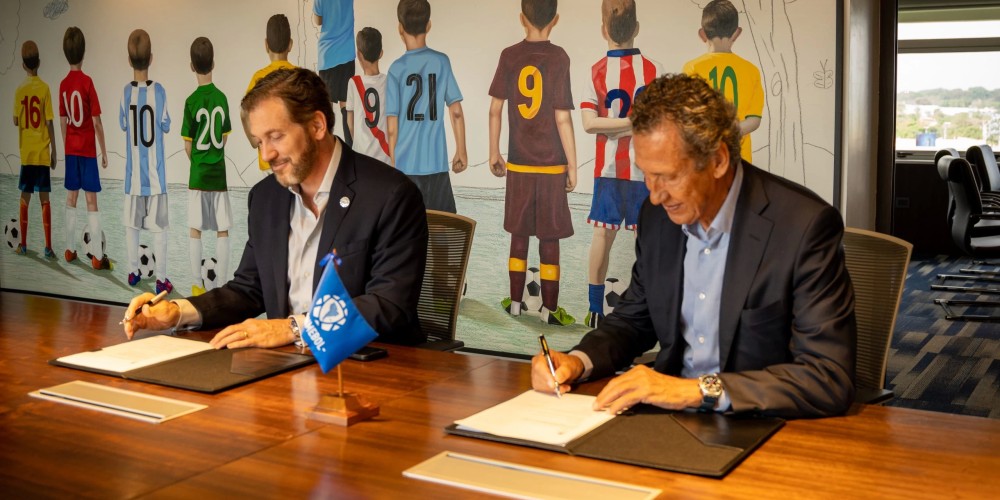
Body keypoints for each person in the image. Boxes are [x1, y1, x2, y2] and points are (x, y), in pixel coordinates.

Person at [531, 73, 856, 418]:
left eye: (669, 176)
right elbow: (634, 320)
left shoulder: (803, 226)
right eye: (647, 174)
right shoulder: (658, 215)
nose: (655, 195)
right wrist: (577, 361)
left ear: (718, 161)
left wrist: (695, 391)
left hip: (761, 422)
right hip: (670, 420)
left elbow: (827, 376)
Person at [123, 67, 428, 349]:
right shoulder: (265, 198)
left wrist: (293, 328)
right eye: (259, 142)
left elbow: (389, 304)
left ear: (317, 125)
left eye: (276, 137)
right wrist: (178, 312)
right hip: (285, 368)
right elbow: (249, 288)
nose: (266, 154)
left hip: (368, 367)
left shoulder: (391, 195)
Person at [488, 0, 577, 326]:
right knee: (549, 239)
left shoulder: (509, 55)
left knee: (519, 235)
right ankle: (549, 309)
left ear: (521, 18)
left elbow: (495, 110)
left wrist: (494, 152)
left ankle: (515, 304)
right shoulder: (560, 57)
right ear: (555, 19)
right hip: (552, 166)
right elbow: (563, 118)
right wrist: (573, 164)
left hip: (520, 165)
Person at [580, 0, 662, 328]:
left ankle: (594, 309)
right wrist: (635, 122)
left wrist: (617, 125)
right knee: (649, 241)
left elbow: (590, 123)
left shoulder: (595, 71)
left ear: (603, 30)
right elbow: (656, 121)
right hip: (645, 172)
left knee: (602, 236)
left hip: (608, 171)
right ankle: (649, 309)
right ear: (637, 28)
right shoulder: (654, 71)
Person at [386, 0, 468, 214]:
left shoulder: (395, 69)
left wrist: (393, 165)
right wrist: (461, 150)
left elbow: (392, 128)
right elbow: (456, 112)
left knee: (409, 227)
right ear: (429, 25)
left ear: (400, 28)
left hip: (405, 168)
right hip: (436, 165)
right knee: (443, 226)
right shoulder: (441, 61)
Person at [119, 29, 172, 293]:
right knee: (159, 228)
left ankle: (133, 273)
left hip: (133, 178)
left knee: (132, 226)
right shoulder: (159, 91)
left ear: (129, 60)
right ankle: (161, 279)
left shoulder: (125, 93)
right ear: (151, 58)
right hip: (156, 176)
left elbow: (123, 124)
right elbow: (166, 124)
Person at [181, 37, 232, 296]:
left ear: (192, 66)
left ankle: (196, 285)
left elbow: (188, 146)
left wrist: (198, 162)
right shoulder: (222, 98)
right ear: (214, 63)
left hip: (198, 175)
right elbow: (223, 138)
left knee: (195, 229)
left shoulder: (191, 101)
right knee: (222, 229)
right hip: (218, 174)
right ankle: (222, 283)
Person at [682, 0, 763, 163]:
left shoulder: (691, 68)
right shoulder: (751, 70)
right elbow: (754, 120)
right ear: (737, 33)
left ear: (702, 34)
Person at [58, 26, 110, 269]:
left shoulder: (63, 85)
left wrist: (66, 145)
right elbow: (97, 122)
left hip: (71, 151)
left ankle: (69, 250)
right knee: (91, 201)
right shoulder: (87, 82)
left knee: (71, 197)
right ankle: (97, 256)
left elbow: (63, 121)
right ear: (84, 52)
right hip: (88, 152)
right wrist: (104, 151)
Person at [12, 41, 58, 258]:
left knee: (25, 197)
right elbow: (49, 122)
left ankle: (23, 244)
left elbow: (15, 120)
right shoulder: (45, 88)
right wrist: (54, 151)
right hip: (42, 153)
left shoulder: (19, 90)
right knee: (44, 198)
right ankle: (48, 247)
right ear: (39, 62)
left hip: (27, 154)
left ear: (23, 65)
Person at [245, 14, 296, 174]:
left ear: (266, 45)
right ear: (290, 44)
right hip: (294, 157)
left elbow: (245, 112)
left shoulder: (258, 78)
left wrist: (254, 140)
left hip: (269, 160)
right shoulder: (299, 76)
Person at [345, 27, 390, 165]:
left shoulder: (353, 83)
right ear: (381, 53)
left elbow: (350, 123)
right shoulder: (389, 82)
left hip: (362, 157)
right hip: (385, 157)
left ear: (359, 55)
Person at [313, 0, 355, 146]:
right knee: (346, 104)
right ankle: (350, 148)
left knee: (327, 105)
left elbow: (318, 21)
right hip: (347, 53)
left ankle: (327, 148)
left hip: (328, 55)